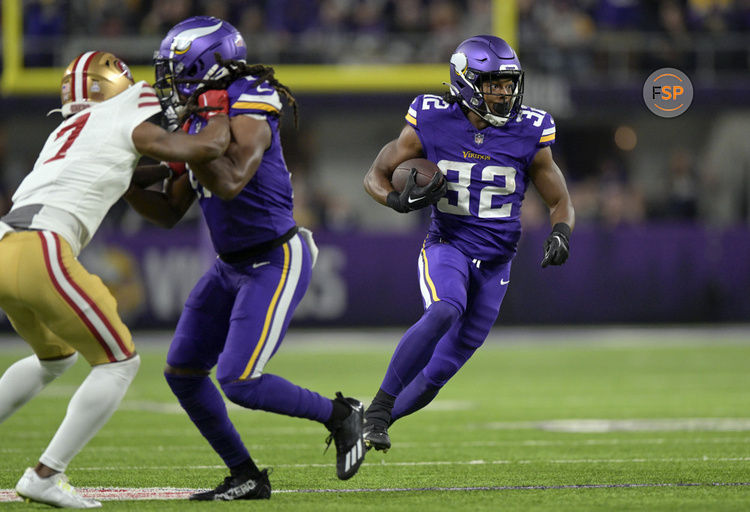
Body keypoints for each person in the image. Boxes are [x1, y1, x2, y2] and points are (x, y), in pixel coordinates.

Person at [124, 16, 365, 500]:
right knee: (184, 373)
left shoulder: (252, 96)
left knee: (238, 378)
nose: (169, 83)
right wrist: (125, 183)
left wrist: (187, 145)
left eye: (176, 70)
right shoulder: (200, 118)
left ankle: (342, 415)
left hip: (275, 258)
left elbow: (232, 177)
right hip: (230, 264)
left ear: (207, 65)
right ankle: (246, 475)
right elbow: (170, 210)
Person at [0, 51, 231, 508]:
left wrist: (168, 168)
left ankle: (46, 472)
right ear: (114, 86)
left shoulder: (67, 130)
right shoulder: (127, 109)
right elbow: (195, 149)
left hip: (6, 243)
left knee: (56, 358)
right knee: (119, 362)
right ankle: (46, 474)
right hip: (43, 247)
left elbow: (121, 168)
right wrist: (218, 121)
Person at [361, 35, 575, 451]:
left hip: (497, 264)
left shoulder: (530, 130)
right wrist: (392, 199)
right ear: (466, 81)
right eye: (495, 83)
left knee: (439, 372)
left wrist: (561, 231)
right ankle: (378, 409)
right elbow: (375, 173)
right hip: (449, 245)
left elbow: (559, 200)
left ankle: (369, 422)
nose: (505, 92)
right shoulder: (431, 118)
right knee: (444, 308)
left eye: (509, 83)